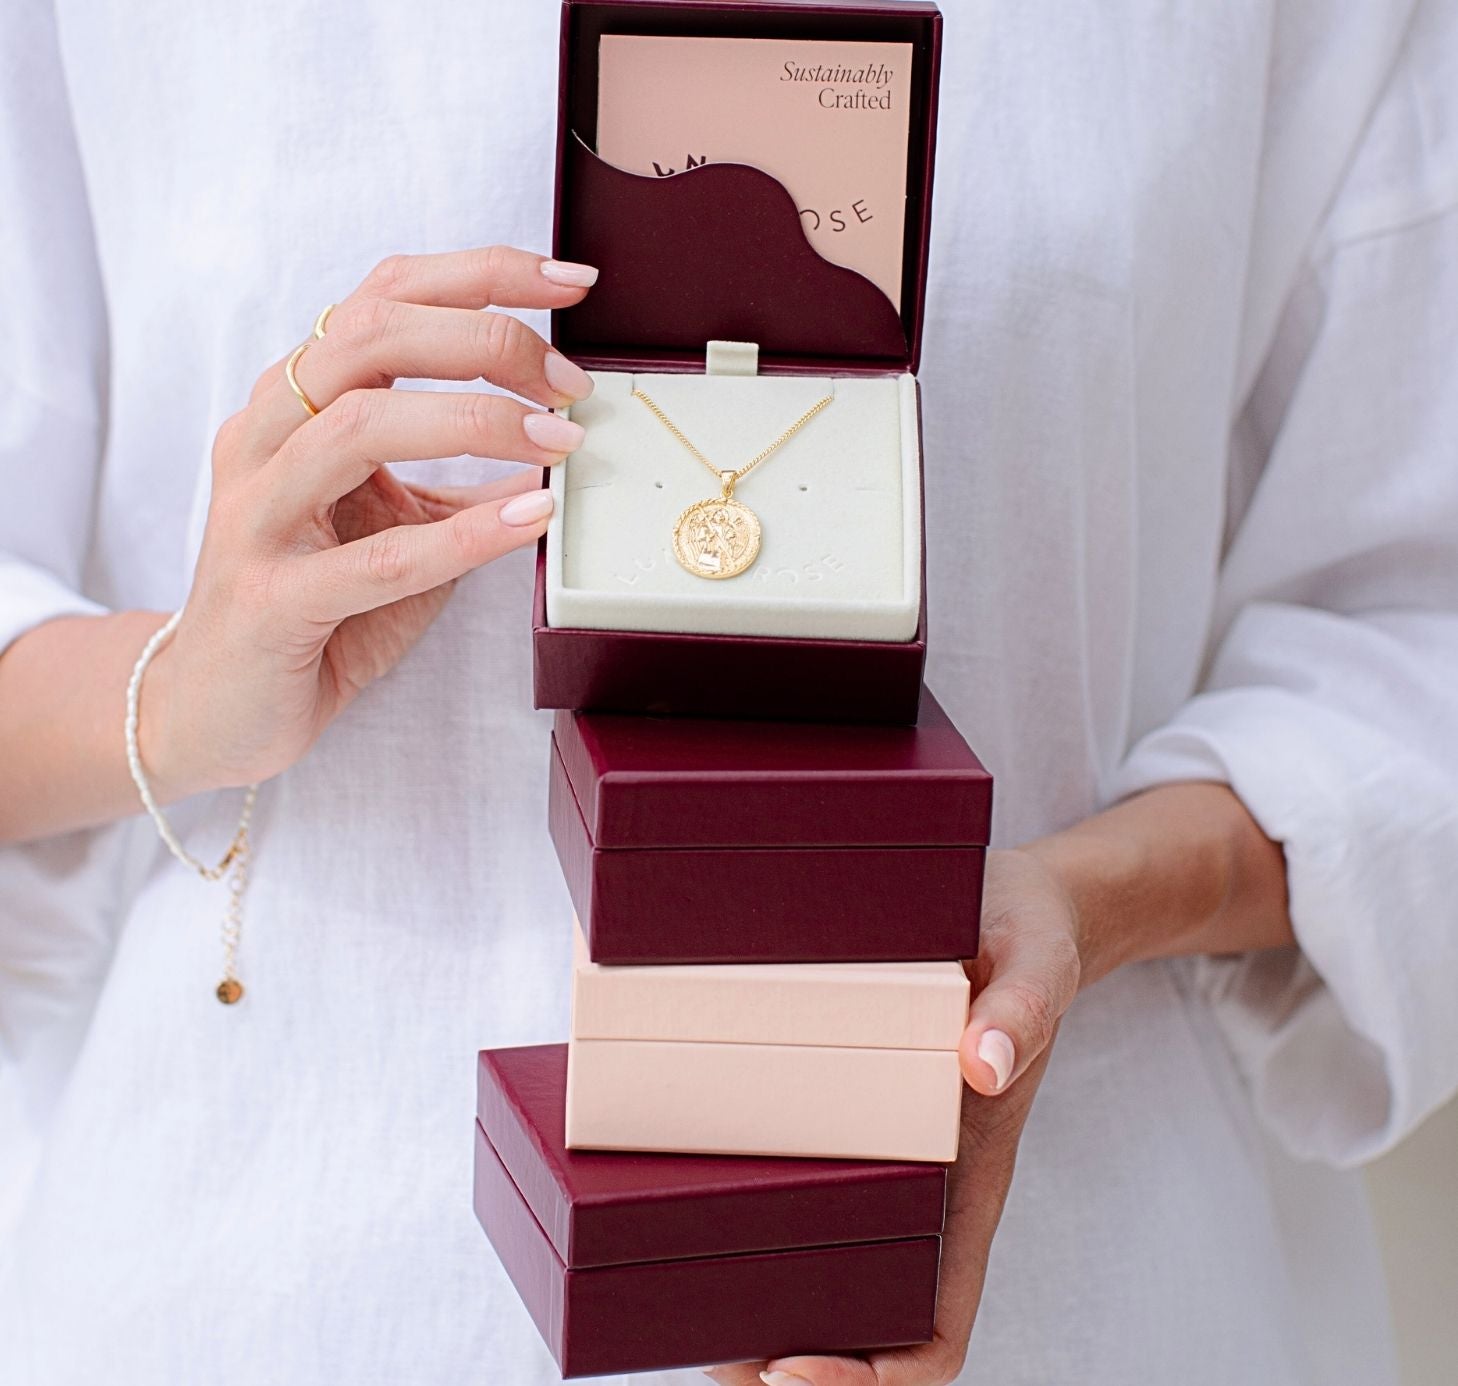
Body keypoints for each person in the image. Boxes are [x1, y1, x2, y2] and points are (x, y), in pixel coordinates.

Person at [2, 2, 1455, 1383]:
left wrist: (1086, 902)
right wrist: (175, 688)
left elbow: (1411, 643)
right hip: (266, 1260)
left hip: (1084, 1280)